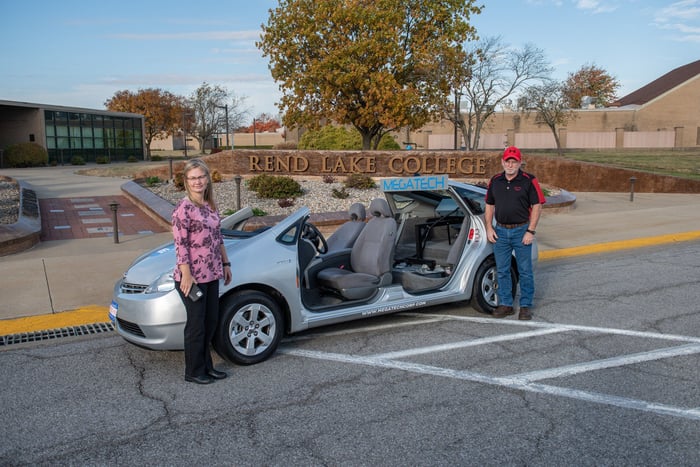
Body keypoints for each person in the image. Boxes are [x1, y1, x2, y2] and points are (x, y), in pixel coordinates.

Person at [172, 159, 232, 384]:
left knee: (210, 322)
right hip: (192, 277)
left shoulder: (209, 205)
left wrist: (226, 264)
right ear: (186, 182)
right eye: (193, 178)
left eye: (201, 177)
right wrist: (186, 275)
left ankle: (207, 366)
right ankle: (194, 371)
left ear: (207, 178)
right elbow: (181, 245)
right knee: (196, 325)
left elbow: (218, 238)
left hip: (212, 273)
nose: (198, 181)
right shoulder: (183, 209)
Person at [484, 146, 545, 320]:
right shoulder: (495, 181)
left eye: (514, 161)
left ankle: (525, 306)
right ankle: (506, 304)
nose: (510, 165)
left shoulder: (528, 180)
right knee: (502, 270)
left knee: (525, 270)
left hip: (521, 231)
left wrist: (530, 231)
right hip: (501, 232)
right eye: (508, 161)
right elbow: (489, 205)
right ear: (502, 162)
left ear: (519, 163)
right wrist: (489, 227)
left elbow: (537, 206)